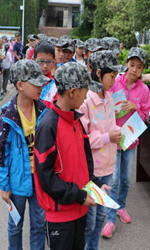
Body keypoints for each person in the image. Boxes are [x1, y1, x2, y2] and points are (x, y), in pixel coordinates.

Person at [34, 62, 109, 250]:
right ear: (72, 91)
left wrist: (95, 184)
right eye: (85, 92)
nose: (86, 98)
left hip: (79, 208)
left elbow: (83, 164)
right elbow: (46, 176)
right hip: (61, 215)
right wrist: (78, 195)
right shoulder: (48, 126)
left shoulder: (76, 120)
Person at [0, 59, 49, 250]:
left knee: (39, 224)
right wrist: (4, 185)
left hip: (39, 179)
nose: (41, 86)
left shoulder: (43, 110)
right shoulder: (7, 117)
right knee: (15, 225)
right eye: (35, 82)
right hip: (16, 182)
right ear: (20, 85)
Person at [102, 47, 150, 238]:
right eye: (132, 65)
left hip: (130, 141)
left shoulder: (144, 90)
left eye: (139, 67)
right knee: (112, 180)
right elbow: (104, 103)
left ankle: (121, 206)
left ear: (142, 70)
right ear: (126, 64)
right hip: (113, 139)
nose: (134, 70)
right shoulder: (115, 83)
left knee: (125, 178)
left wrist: (135, 106)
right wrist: (111, 111)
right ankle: (110, 218)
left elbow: (145, 115)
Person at [78, 51, 126, 250]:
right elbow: (83, 139)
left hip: (108, 167)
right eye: (112, 76)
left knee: (101, 217)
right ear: (99, 73)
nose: (114, 81)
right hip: (93, 172)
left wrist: (120, 132)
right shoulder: (85, 101)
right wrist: (108, 137)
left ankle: (93, 248)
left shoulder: (109, 97)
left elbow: (111, 125)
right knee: (90, 220)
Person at [33, 41, 58, 108]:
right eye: (41, 61)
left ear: (54, 61)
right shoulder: (27, 83)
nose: (45, 66)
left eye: (49, 62)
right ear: (34, 60)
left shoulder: (56, 87)